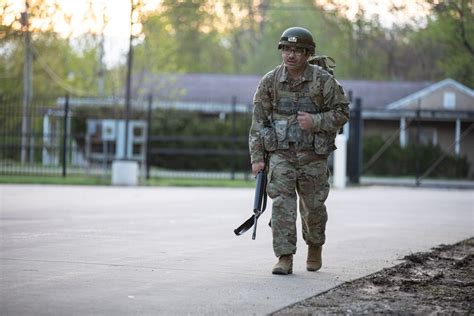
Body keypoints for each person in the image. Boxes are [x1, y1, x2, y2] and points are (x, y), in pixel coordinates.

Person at [249, 27, 350, 275]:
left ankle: (315, 246)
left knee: (313, 207)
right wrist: (257, 158)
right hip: (281, 155)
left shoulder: (323, 81)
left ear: (307, 54)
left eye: (296, 50)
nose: (290, 55)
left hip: (313, 156)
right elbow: (258, 122)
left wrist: (315, 122)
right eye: (286, 49)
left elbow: (343, 113)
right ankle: (284, 257)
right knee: (282, 204)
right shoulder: (270, 81)